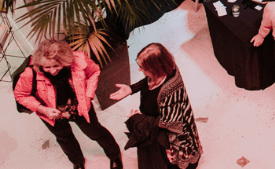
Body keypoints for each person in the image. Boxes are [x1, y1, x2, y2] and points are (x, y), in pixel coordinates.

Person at [15, 39, 123, 169]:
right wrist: (42, 109)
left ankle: (114, 154)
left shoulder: (78, 60)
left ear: (65, 61)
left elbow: (93, 72)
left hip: (79, 106)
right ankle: (77, 162)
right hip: (52, 113)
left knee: (95, 132)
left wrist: (88, 97)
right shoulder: (30, 72)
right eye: (47, 67)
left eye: (56, 66)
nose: (52, 71)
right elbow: (21, 95)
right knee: (64, 138)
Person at [110, 43, 201, 169]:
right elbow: (148, 81)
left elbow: (169, 121)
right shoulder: (162, 71)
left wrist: (137, 118)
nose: (139, 70)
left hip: (164, 132)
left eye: (142, 67)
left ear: (154, 68)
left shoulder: (170, 90)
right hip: (152, 123)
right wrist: (131, 89)